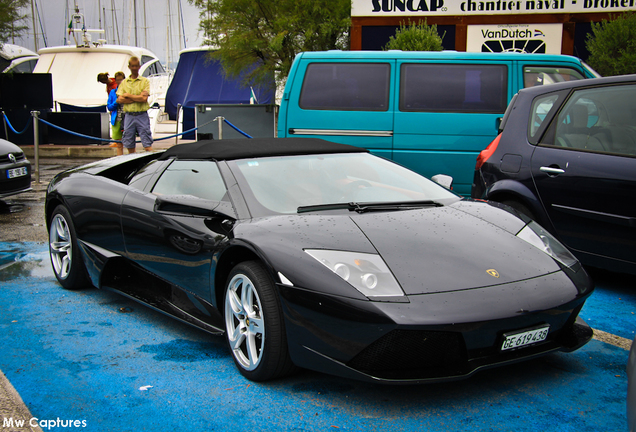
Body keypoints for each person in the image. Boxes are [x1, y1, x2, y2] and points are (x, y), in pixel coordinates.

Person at [116, 56, 153, 153]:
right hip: (129, 116)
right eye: (132, 66)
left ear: (139, 67)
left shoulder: (145, 81)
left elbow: (144, 99)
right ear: (129, 67)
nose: (134, 68)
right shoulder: (124, 83)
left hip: (142, 115)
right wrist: (137, 98)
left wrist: (128, 95)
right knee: (129, 144)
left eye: (136, 66)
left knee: (147, 144)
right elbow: (119, 100)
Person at [107, 71, 126, 156]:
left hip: (127, 119)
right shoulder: (113, 92)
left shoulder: (128, 91)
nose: (120, 82)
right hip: (116, 119)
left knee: (130, 143)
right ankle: (120, 160)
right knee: (118, 144)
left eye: (121, 80)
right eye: (118, 80)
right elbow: (109, 106)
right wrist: (117, 102)